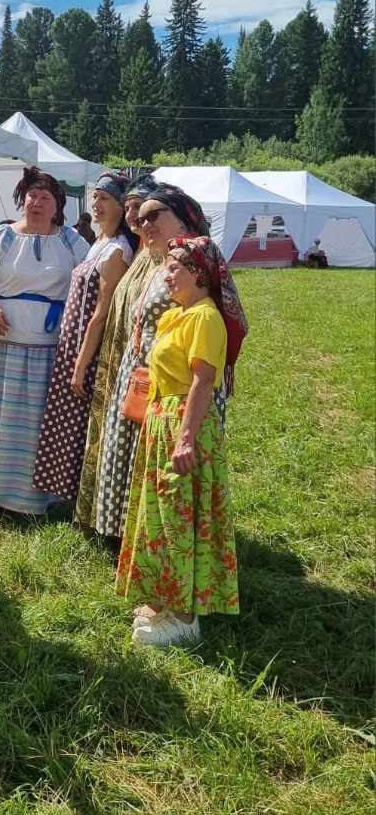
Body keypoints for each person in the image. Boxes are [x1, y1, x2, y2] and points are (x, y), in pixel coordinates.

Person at [119, 236, 247, 646]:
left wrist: (186, 439)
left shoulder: (204, 318)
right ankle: (164, 599)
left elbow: (203, 381)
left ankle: (186, 618)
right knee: (160, 514)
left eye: (175, 268)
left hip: (183, 424)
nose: (167, 275)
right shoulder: (178, 315)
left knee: (180, 517)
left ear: (200, 275)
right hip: (162, 420)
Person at [74, 180, 213, 542]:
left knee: (158, 469)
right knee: (132, 458)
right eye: (140, 215)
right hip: (139, 377)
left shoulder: (195, 264)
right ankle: (129, 538)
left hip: (173, 388)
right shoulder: (155, 261)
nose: (144, 222)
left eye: (155, 215)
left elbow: (206, 332)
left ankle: (156, 548)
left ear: (183, 221)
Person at [0, 168, 88, 515]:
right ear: (22, 200)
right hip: (1, 347)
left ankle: (29, 500)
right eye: (32, 196)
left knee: (35, 428)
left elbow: (93, 282)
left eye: (46, 198)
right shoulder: (3, 237)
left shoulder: (71, 241)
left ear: (58, 206)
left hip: (50, 351)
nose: (37, 203)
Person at [33, 171, 137, 504]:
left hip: (88, 351)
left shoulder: (118, 250)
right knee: (66, 423)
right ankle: (65, 495)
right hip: (72, 345)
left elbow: (102, 311)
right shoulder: (99, 244)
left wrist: (82, 361)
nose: (96, 204)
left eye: (104, 198)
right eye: (95, 197)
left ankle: (82, 497)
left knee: (81, 426)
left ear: (121, 206)